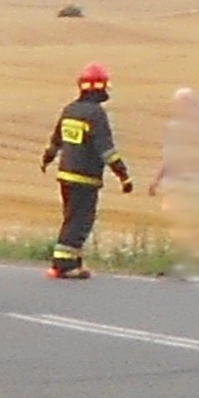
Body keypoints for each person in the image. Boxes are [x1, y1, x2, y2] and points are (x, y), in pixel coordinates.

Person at [39, 63, 131, 277]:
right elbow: (106, 150)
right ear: (100, 87)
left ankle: (74, 262)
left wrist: (47, 160)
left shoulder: (70, 110)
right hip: (85, 178)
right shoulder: (96, 114)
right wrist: (123, 176)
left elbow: (55, 141)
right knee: (80, 221)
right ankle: (63, 265)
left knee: (72, 218)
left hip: (65, 176)